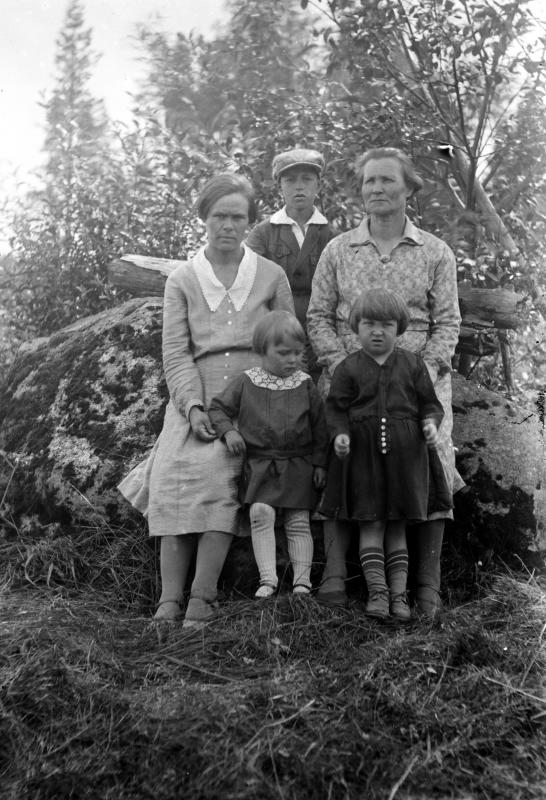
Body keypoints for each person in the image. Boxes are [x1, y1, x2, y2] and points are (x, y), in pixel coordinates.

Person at [118, 173, 294, 626]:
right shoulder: (182, 279)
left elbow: (289, 343)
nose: (228, 226)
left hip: (254, 395)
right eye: (219, 216)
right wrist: (193, 408)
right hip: (196, 395)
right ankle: (168, 600)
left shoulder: (271, 276)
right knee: (172, 471)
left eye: (237, 217)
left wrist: (272, 400)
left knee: (219, 471)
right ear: (204, 219)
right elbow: (176, 353)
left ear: (250, 221)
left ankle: (202, 596)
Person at [307, 146, 463, 617]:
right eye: (369, 181)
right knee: (339, 450)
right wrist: (345, 366)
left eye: (387, 180)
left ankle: (427, 583)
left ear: (408, 188)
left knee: (434, 448)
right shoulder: (339, 249)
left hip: (415, 381)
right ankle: (336, 570)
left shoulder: (435, 251)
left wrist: (420, 373)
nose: (376, 188)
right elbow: (318, 316)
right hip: (349, 377)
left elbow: (447, 323)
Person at [319, 289, 451, 620]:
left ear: (400, 328)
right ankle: (377, 594)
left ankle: (399, 597)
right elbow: (335, 409)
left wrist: (430, 425)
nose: (377, 332)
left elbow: (430, 404)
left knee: (396, 527)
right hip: (363, 462)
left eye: (386, 325)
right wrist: (340, 435)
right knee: (371, 524)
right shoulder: (348, 368)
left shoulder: (413, 365)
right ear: (356, 326)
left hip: (405, 462)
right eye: (369, 324)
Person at [208, 311, 328, 598]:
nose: (292, 359)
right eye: (284, 353)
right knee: (260, 513)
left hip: (298, 464)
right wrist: (229, 432)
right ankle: (267, 580)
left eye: (297, 353)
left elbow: (321, 427)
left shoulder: (305, 384)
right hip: (260, 464)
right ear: (262, 350)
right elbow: (217, 408)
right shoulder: (247, 381)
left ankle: (302, 582)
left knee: (298, 520)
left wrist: (320, 464)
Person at [246, 148, 334, 381]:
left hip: (323, 335)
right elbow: (246, 286)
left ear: (318, 185)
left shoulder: (332, 235)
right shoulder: (264, 233)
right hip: (277, 336)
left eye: (307, 179)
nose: (299, 187)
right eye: (290, 180)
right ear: (279, 187)